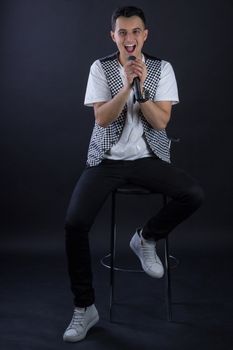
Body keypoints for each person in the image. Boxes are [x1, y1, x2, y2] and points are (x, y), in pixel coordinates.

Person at [63, 6, 204, 342]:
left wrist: (140, 88)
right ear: (113, 36)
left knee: (193, 194)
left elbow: (160, 122)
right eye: (122, 32)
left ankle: (146, 237)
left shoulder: (162, 68)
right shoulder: (100, 68)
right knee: (74, 224)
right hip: (106, 161)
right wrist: (125, 86)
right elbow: (101, 119)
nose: (129, 39)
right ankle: (85, 307)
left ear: (145, 35)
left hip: (147, 158)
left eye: (135, 31)